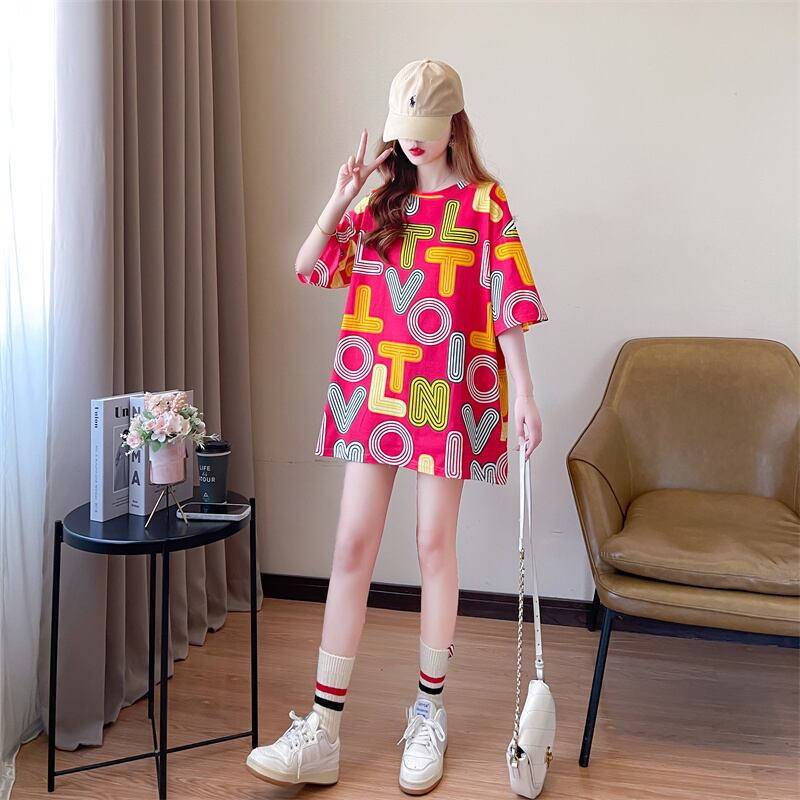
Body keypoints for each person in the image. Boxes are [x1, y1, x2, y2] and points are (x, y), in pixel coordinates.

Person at [246, 58, 549, 795]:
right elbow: (308, 266)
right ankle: (323, 729)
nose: (414, 142)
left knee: (432, 543)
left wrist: (524, 393)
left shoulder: (483, 204)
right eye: (404, 129)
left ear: (454, 125)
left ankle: (429, 713)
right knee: (352, 544)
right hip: (375, 386)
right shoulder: (380, 203)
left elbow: (507, 300)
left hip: (437, 389)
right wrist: (341, 194)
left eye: (428, 128)